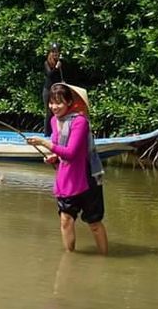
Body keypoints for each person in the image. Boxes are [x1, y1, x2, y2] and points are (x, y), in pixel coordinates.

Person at [26, 83, 108, 255]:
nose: (54, 107)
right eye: (51, 103)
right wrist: (53, 157)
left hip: (86, 178)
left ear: (70, 102)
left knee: (94, 223)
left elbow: (70, 152)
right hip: (67, 177)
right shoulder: (54, 121)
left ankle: (104, 258)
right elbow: (58, 148)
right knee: (65, 220)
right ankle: (70, 259)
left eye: (59, 103)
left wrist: (43, 142)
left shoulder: (80, 122)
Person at [42, 43, 64, 135]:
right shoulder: (47, 63)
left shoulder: (60, 62)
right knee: (49, 112)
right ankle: (47, 134)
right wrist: (56, 67)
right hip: (48, 90)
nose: (55, 54)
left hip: (57, 90)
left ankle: (56, 133)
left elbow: (60, 76)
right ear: (50, 53)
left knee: (59, 112)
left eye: (57, 52)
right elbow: (49, 75)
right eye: (54, 52)